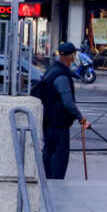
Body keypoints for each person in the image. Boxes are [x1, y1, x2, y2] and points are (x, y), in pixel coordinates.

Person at [33, 41, 90, 180]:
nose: (75, 56)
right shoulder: (61, 76)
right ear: (71, 56)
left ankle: (45, 182)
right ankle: (54, 185)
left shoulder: (52, 69)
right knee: (59, 158)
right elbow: (68, 103)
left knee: (49, 153)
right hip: (58, 123)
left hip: (49, 120)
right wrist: (81, 119)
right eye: (74, 54)